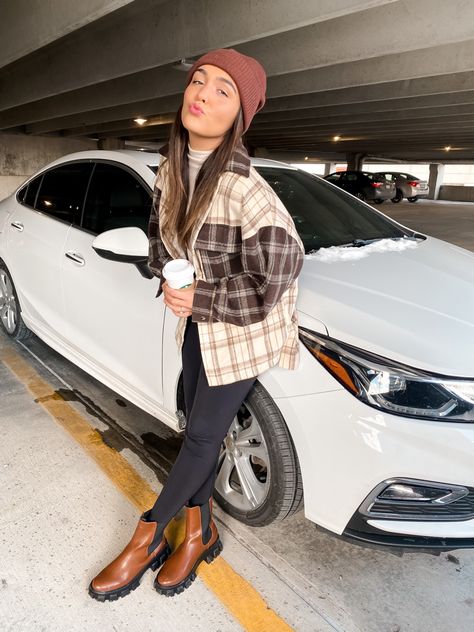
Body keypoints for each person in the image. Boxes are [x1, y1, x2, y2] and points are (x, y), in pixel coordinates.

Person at [88, 48, 305, 601]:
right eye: (198, 80)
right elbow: (162, 242)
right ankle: (200, 533)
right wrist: (169, 276)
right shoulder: (170, 170)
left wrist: (201, 295)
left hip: (239, 334)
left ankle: (148, 536)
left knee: (205, 435)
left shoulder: (246, 188)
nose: (202, 94)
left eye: (222, 91)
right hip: (198, 328)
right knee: (195, 430)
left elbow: (278, 273)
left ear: (240, 116)